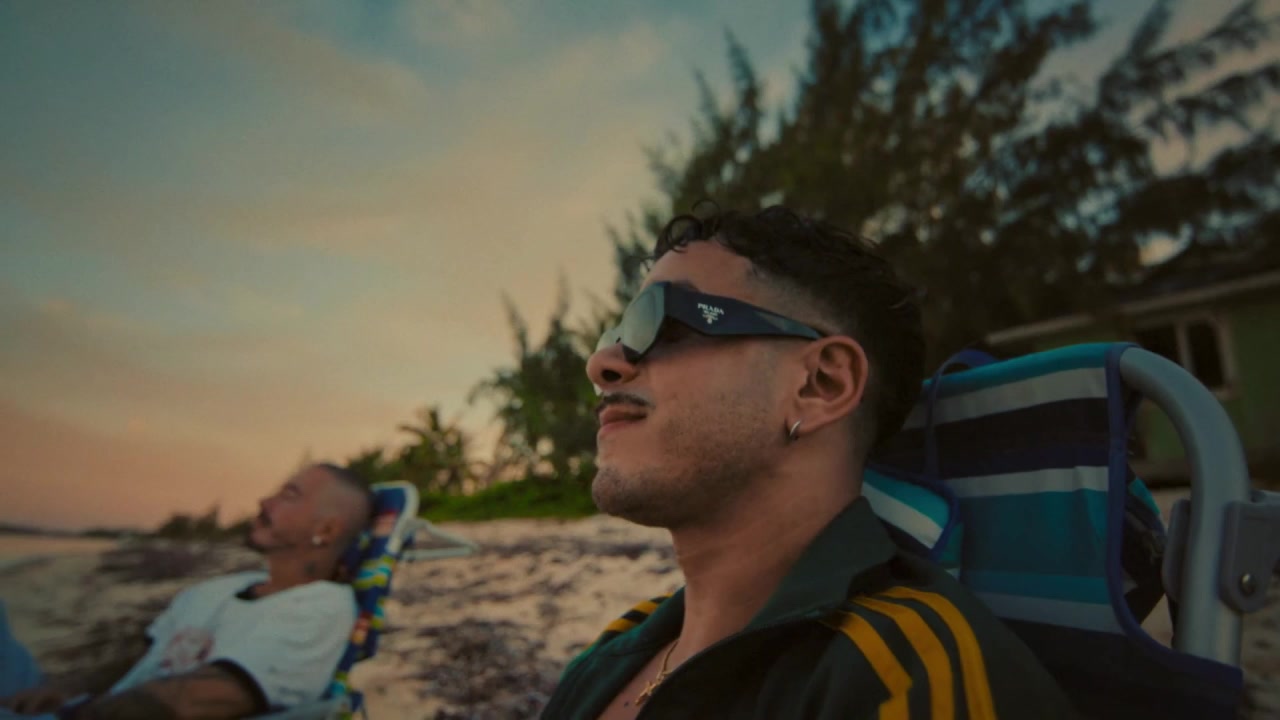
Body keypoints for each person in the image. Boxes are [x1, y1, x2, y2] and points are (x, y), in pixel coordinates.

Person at [540, 205, 1075, 719]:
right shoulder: (612, 649)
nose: (601, 363)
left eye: (661, 320)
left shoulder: (907, 675)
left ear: (820, 384)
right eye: (616, 334)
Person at [0, 463, 374, 720]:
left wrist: (72, 713)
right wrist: (66, 691)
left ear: (326, 531)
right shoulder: (218, 589)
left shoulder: (319, 607)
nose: (264, 502)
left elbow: (203, 700)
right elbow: (143, 662)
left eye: (288, 495)